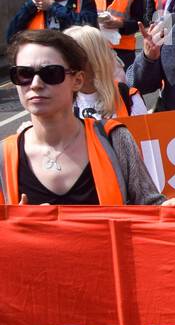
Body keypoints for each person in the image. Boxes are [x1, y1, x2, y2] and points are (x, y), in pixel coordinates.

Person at [1, 31, 163, 209]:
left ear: (77, 80)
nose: (36, 84)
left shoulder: (114, 139)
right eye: (23, 74)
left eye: (51, 73)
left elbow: (152, 207)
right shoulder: (4, 156)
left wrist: (170, 210)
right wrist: (15, 223)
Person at [63, 26, 148, 118]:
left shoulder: (129, 98)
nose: (65, 67)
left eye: (71, 59)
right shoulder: (59, 102)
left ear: (96, 61)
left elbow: (142, 132)